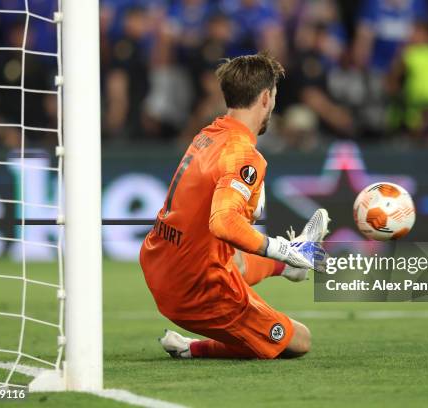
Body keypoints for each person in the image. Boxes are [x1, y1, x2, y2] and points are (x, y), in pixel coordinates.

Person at [140, 53, 329, 359]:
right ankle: (192, 349)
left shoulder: (207, 135)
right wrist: (281, 248)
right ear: (266, 98)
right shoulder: (243, 155)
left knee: (234, 253)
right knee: (299, 340)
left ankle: (290, 267)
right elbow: (224, 223)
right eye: (275, 97)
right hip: (196, 293)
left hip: (159, 266)